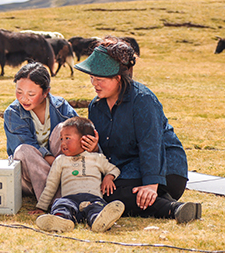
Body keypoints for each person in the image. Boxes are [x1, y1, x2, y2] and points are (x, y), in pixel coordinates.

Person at [74, 37, 201, 223]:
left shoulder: (143, 100)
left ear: (118, 78)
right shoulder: (95, 106)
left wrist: (151, 184)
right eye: (92, 78)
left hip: (165, 170)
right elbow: (107, 151)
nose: (94, 84)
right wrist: (94, 150)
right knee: (103, 191)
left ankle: (169, 206)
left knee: (113, 196)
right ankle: (175, 208)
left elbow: (152, 144)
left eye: (100, 79)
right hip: (126, 169)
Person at [3, 62, 95, 199]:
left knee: (63, 129)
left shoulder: (61, 106)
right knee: (23, 150)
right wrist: (59, 166)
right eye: (19, 92)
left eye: (31, 94)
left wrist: (92, 146)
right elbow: (25, 149)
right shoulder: (13, 113)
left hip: (66, 170)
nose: (23, 98)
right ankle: (60, 199)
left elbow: (82, 133)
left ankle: (71, 191)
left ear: (46, 92)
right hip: (31, 177)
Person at [35, 117, 125, 233]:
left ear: (85, 140)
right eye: (61, 139)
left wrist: (109, 177)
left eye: (67, 138)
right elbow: (51, 185)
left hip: (93, 198)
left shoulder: (97, 158)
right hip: (69, 198)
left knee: (97, 207)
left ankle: (98, 221)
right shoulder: (60, 160)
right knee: (61, 205)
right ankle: (60, 220)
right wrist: (41, 207)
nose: (63, 143)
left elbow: (114, 169)